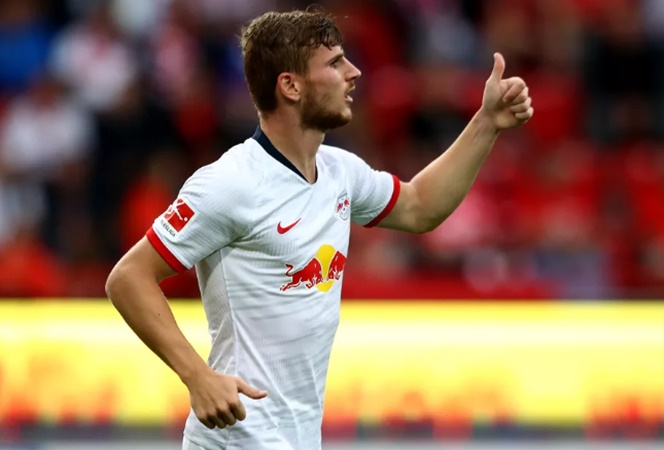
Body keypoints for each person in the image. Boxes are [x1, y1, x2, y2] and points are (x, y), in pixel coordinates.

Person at [105, 9, 533, 450]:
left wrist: (486, 123)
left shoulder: (338, 171)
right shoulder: (230, 183)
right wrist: (197, 376)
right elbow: (128, 277)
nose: (354, 72)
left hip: (298, 437)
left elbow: (420, 206)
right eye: (335, 63)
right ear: (290, 86)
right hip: (239, 436)